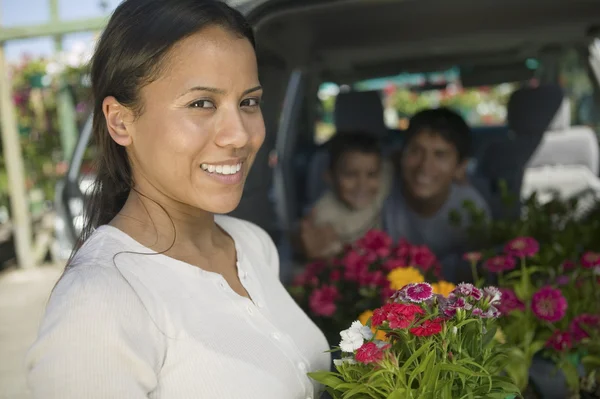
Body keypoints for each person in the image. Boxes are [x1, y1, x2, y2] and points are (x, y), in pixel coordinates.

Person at [25, 1, 330, 398]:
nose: (239, 134)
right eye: (201, 103)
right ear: (120, 121)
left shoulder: (250, 244)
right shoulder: (99, 304)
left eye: (248, 102)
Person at [383, 108, 491, 282]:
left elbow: (473, 280)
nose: (425, 166)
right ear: (400, 155)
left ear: (460, 168)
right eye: (415, 151)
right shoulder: (380, 188)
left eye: (440, 155)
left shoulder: (471, 210)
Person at [300, 132, 392, 259]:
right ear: (330, 177)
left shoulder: (382, 182)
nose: (362, 185)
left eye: (371, 175)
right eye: (350, 175)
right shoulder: (323, 216)